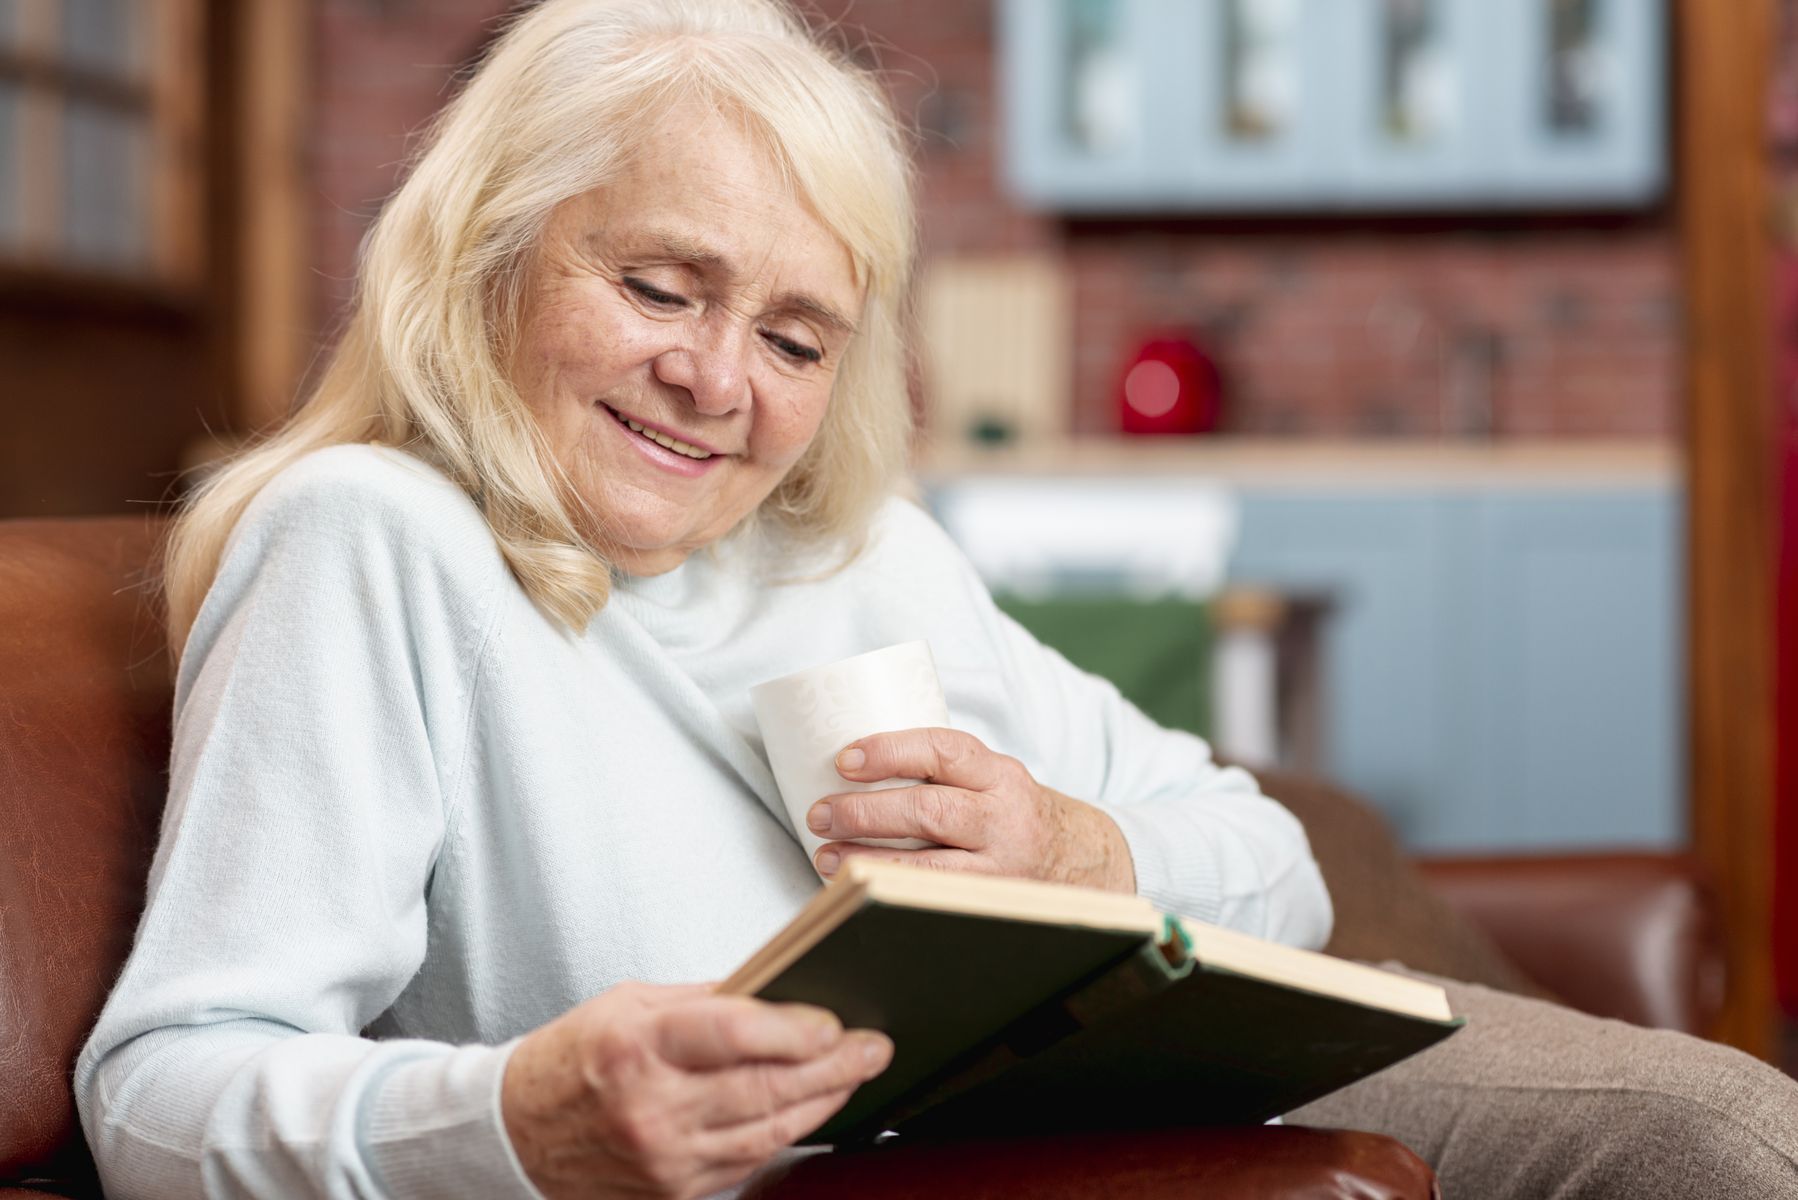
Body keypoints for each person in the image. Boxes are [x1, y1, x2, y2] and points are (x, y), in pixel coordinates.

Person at [75, 1, 1798, 1198]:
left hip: (1109, 1093)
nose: (716, 382)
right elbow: (162, 1096)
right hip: (935, 1172)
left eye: (794, 337)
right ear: (488, 261)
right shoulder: (368, 541)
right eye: (660, 286)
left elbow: (1264, 858)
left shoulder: (850, 550)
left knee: (1722, 1137)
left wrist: (1072, 851)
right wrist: (515, 1121)